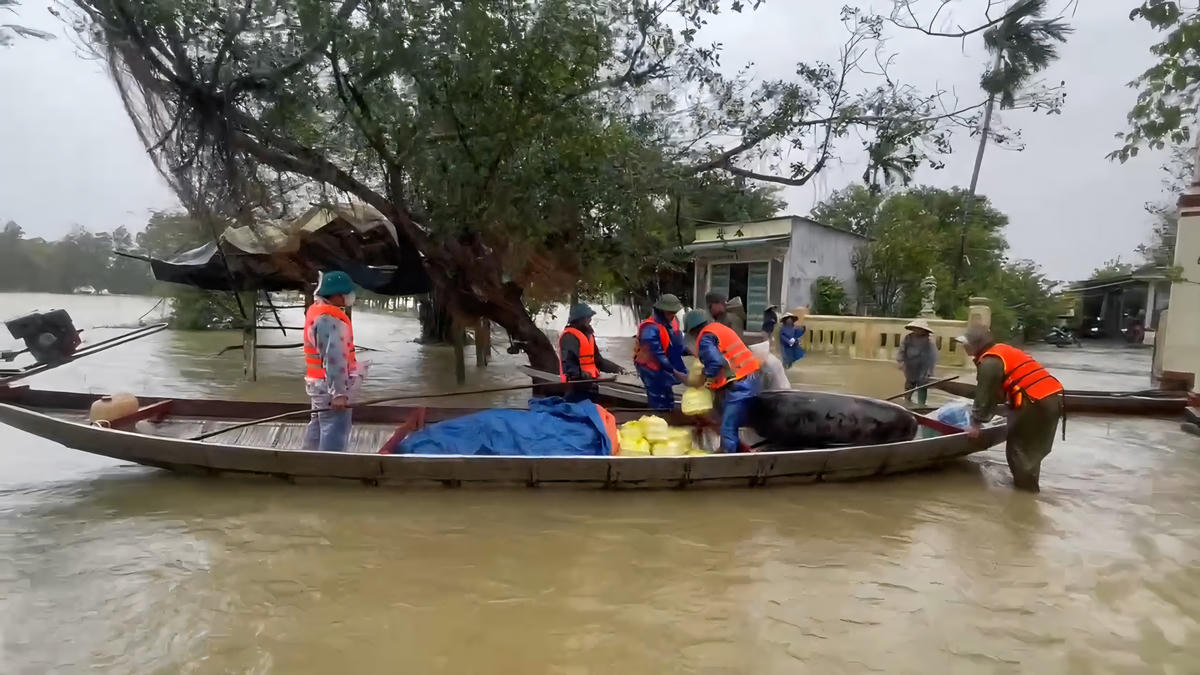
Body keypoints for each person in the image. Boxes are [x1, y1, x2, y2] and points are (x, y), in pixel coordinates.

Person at [958, 325, 1064, 492]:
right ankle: (1028, 490)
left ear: (977, 344)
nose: (964, 347)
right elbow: (1001, 390)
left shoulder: (989, 362)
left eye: (966, 344)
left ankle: (1025, 495)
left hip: (1035, 403)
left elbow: (985, 395)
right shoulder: (1001, 350)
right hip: (1052, 399)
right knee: (1030, 453)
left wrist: (975, 424)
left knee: (1019, 451)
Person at [683, 309, 763, 453]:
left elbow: (715, 362)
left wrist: (706, 380)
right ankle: (740, 451)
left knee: (728, 427)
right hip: (752, 377)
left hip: (740, 383)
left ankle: (727, 459)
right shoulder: (718, 329)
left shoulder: (705, 338)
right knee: (729, 420)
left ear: (693, 330)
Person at [302, 270, 361, 452]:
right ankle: (329, 466)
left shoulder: (316, 311)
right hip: (329, 388)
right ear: (336, 295)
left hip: (318, 385)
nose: (350, 296)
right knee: (334, 434)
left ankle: (306, 462)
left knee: (318, 428)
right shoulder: (330, 320)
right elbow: (334, 359)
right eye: (346, 293)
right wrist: (339, 394)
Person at [558, 303, 625, 403]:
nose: (590, 319)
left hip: (591, 384)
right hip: (575, 386)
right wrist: (581, 374)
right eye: (587, 317)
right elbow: (569, 364)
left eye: (590, 317)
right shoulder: (569, 337)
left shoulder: (588, 335)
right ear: (579, 319)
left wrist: (617, 369)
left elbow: (598, 360)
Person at [634, 295, 688, 410]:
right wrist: (675, 372)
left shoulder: (672, 323)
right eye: (669, 313)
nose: (672, 316)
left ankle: (668, 410)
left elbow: (677, 346)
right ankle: (658, 414)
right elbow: (658, 354)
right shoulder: (650, 328)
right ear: (661, 311)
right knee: (657, 397)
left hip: (664, 365)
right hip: (649, 368)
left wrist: (692, 351)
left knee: (668, 395)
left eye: (674, 313)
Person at [897, 319, 938, 406]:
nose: (917, 331)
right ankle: (907, 402)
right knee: (909, 385)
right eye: (915, 328)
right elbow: (902, 350)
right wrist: (901, 361)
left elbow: (933, 356)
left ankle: (921, 405)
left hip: (923, 366)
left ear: (924, 330)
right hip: (911, 366)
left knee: (922, 386)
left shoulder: (929, 340)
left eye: (919, 329)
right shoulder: (908, 338)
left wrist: (929, 370)